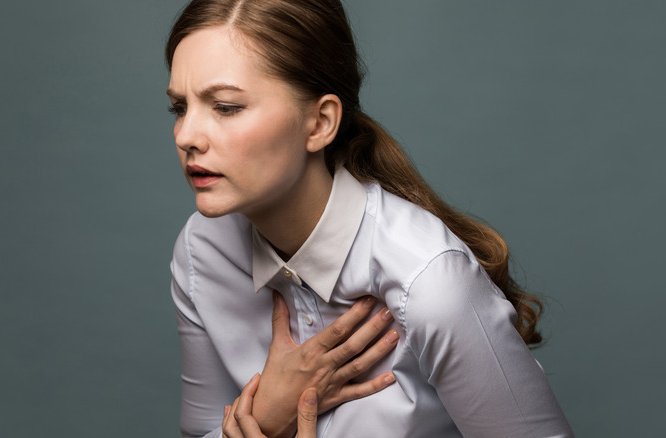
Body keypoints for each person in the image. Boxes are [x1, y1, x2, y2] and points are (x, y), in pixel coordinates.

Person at [166, 0, 574, 437]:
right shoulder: (201, 250)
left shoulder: (430, 284)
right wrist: (268, 416)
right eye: (179, 108)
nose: (187, 136)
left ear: (320, 122)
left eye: (226, 107)